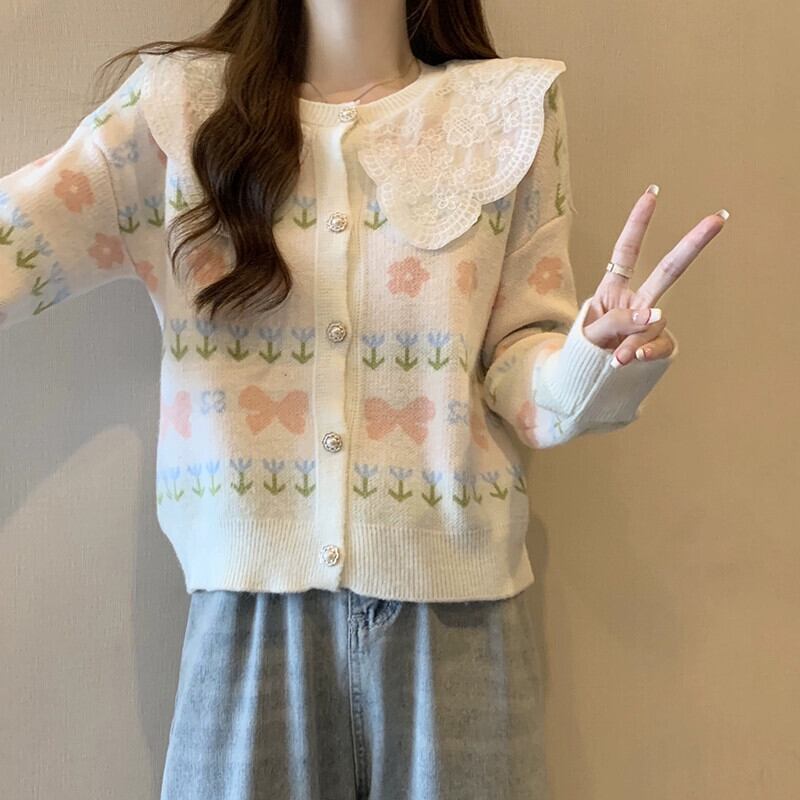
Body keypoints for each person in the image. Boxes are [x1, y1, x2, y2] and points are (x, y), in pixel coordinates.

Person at [0, 1, 728, 798]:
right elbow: (19, 243)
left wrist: (594, 356)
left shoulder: (505, 114)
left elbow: (522, 367)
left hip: (459, 623)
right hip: (249, 620)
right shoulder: (177, 111)